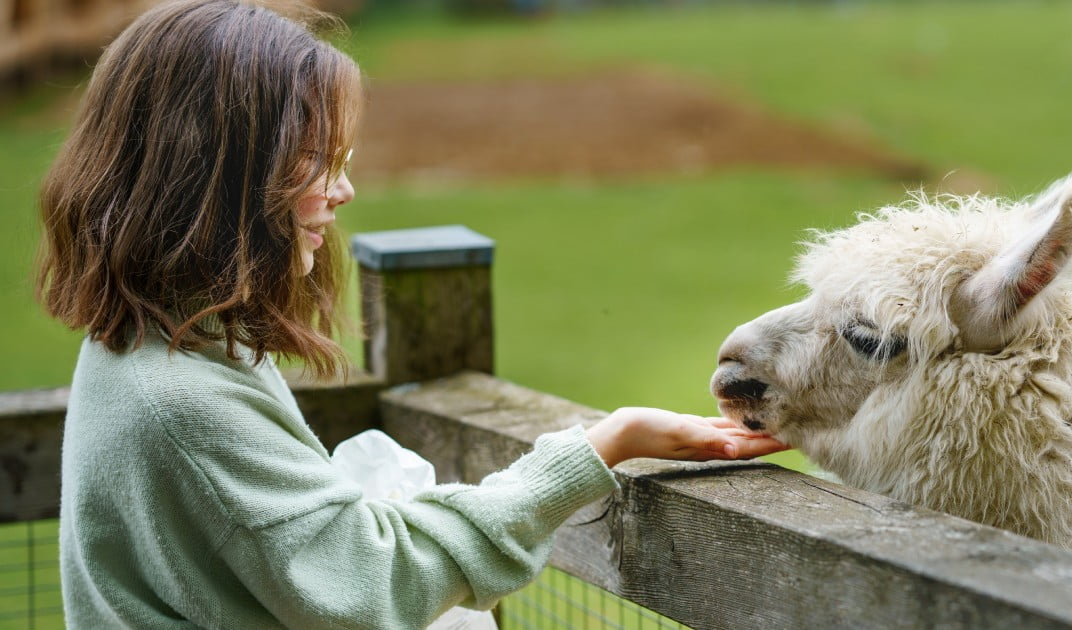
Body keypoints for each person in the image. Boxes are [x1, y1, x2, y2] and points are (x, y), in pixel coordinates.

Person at [35, 1, 787, 627]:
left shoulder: (150, 347)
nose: (342, 190)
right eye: (315, 158)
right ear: (218, 173)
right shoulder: (181, 401)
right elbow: (379, 582)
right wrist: (603, 444)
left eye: (344, 159)